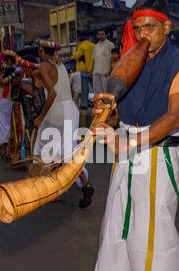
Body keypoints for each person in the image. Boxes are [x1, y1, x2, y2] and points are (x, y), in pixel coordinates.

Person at [90, 0, 179, 271]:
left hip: (158, 157)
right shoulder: (128, 61)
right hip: (127, 158)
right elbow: (119, 117)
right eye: (137, 28)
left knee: (156, 242)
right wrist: (106, 117)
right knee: (128, 240)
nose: (142, 35)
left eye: (149, 27)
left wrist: (128, 142)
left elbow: (174, 117)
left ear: (167, 26)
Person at [33, 41, 94, 209]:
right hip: (70, 109)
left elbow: (51, 94)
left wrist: (40, 117)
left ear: (41, 51)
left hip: (58, 109)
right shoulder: (59, 65)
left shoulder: (46, 66)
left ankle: (53, 190)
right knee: (66, 151)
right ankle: (84, 183)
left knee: (47, 149)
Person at [73, 35, 95, 109]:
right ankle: (98, 102)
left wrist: (76, 50)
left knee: (84, 88)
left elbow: (76, 56)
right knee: (94, 88)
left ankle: (84, 104)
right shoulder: (93, 45)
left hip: (84, 70)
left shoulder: (81, 46)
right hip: (93, 69)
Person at [92, 29, 115, 95]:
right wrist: (91, 71)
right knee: (97, 92)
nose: (101, 36)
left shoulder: (110, 45)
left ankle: (107, 105)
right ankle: (99, 105)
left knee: (106, 91)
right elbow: (94, 59)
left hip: (105, 72)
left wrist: (110, 71)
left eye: (102, 34)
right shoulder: (96, 46)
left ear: (105, 35)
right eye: (99, 34)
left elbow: (112, 59)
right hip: (96, 72)